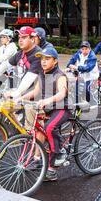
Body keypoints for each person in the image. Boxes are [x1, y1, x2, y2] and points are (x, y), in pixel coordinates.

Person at [18, 47, 69, 181]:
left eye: (47, 59)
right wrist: (21, 98)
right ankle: (37, 158)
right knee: (37, 129)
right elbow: (35, 92)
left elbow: (62, 93)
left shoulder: (60, 75)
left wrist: (47, 100)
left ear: (55, 61)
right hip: (48, 108)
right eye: (42, 59)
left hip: (61, 107)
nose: (43, 62)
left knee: (49, 127)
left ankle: (54, 162)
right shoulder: (42, 73)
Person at [0, 26, 43, 100]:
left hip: (36, 97)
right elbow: (6, 64)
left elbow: (30, 77)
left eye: (24, 37)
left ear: (32, 39)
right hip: (24, 94)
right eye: (19, 37)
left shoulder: (38, 55)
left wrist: (17, 93)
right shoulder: (21, 53)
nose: (20, 40)